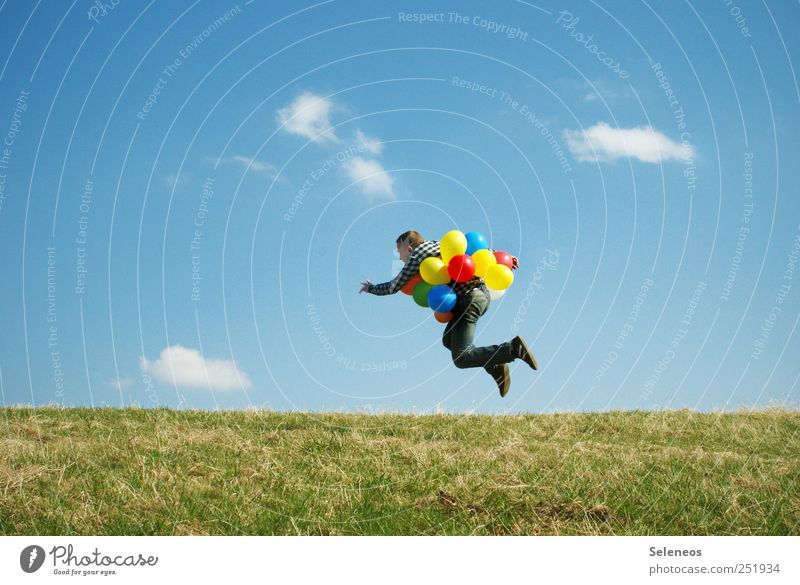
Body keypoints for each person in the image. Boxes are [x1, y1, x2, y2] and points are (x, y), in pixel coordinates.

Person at [359, 230, 537, 397]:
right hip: (478, 296)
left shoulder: (417, 255)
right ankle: (495, 365)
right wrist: (504, 256)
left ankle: (512, 349)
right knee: (448, 339)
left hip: (469, 299)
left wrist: (371, 288)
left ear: (410, 247)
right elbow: (477, 251)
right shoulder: (439, 244)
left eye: (400, 251)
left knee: (461, 358)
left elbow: (394, 286)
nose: (400, 257)